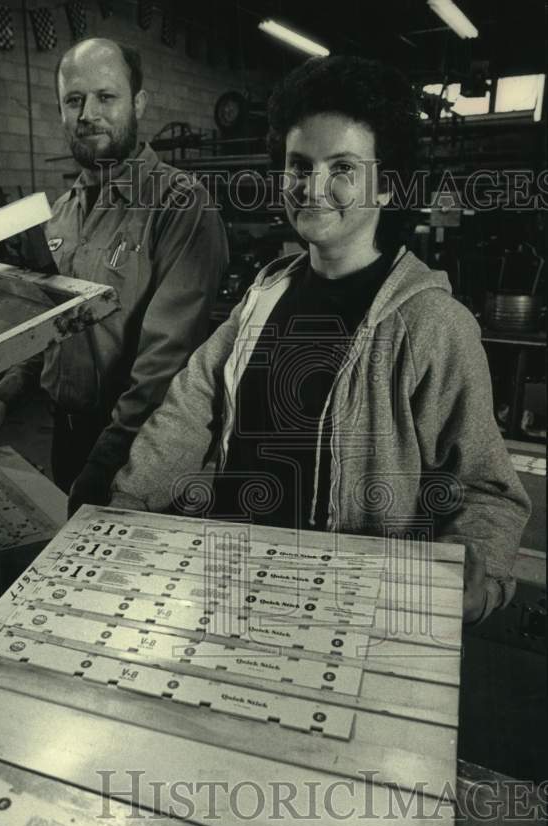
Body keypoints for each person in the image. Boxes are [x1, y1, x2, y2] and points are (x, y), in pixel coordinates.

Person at [108, 55, 531, 624]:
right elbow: (189, 407)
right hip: (233, 586)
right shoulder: (264, 293)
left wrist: (476, 577)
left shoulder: (433, 325)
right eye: (299, 164)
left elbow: (488, 490)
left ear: (386, 187)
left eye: (342, 168)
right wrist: (126, 507)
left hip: (353, 615)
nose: (312, 187)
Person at [0, 38, 228, 514]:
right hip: (67, 435)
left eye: (106, 97)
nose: (88, 114)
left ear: (138, 103)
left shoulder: (180, 206)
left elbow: (164, 365)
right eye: (74, 100)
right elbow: (52, 326)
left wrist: (104, 467)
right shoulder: (61, 214)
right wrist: (3, 397)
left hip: (141, 449)